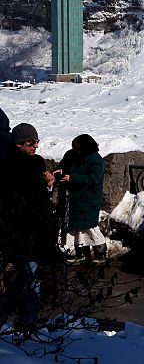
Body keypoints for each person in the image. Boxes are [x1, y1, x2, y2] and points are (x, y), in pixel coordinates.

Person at [1, 123, 57, 330]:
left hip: (21, 231)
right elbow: (34, 200)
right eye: (30, 142)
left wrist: (47, 181)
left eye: (37, 141)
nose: (36, 146)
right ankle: (26, 323)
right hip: (27, 231)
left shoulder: (24, 164)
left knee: (27, 277)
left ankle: (20, 319)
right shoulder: (24, 166)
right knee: (31, 278)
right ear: (18, 144)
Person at [54, 134, 107, 262]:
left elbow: (93, 179)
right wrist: (59, 171)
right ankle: (79, 253)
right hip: (73, 199)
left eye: (76, 147)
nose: (74, 149)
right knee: (75, 228)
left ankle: (99, 254)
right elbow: (63, 165)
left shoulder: (95, 160)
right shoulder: (71, 155)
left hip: (88, 200)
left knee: (89, 227)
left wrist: (72, 178)